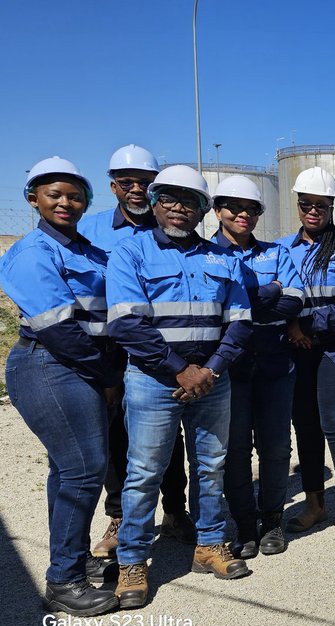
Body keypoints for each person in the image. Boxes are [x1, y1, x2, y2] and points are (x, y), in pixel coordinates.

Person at [107, 165, 253, 609]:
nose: (178, 207)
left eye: (189, 201)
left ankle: (210, 543)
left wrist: (210, 369)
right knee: (145, 471)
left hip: (213, 379)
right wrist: (178, 370)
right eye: (169, 198)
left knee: (210, 464)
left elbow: (241, 322)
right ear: (154, 201)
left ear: (203, 210)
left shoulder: (223, 258)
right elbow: (126, 324)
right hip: (154, 382)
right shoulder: (131, 253)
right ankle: (132, 560)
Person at [1, 157, 119, 616]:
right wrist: (108, 377)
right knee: (85, 468)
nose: (66, 202)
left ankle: (69, 560)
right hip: (50, 364)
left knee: (68, 469)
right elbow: (60, 330)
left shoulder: (86, 250)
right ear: (34, 200)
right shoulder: (35, 252)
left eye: (74, 195)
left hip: (80, 364)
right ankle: (63, 581)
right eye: (55, 195)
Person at [78, 145, 193, 558]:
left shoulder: (178, 227)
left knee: (169, 436)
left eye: (145, 182)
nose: (137, 189)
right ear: (113, 186)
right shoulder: (91, 230)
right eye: (127, 182)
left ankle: (176, 511)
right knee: (117, 436)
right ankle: (119, 516)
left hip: (161, 352)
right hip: (108, 349)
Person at [209, 176, 304, 558]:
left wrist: (244, 302)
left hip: (275, 361)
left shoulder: (276, 253)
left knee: (277, 447)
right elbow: (211, 305)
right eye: (234, 207)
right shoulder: (206, 255)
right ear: (218, 211)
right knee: (234, 451)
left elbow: (294, 301)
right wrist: (267, 292)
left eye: (252, 208)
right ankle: (244, 524)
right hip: (229, 365)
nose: (243, 214)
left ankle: (272, 520)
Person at [277, 167, 335, 540]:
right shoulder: (282, 249)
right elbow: (276, 295)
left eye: (321, 205)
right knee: (305, 423)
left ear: (332, 206)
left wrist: (308, 327)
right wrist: (291, 328)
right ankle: (315, 503)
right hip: (296, 347)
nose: (314, 211)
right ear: (298, 206)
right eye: (307, 204)